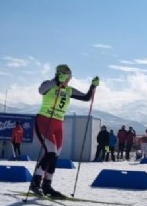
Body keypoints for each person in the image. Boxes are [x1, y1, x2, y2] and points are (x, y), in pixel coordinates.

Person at [29, 64, 98, 197]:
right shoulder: (49, 84)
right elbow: (40, 90)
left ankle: (47, 185)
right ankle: (35, 182)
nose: (69, 79)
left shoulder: (69, 90)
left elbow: (86, 97)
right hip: (44, 121)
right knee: (50, 152)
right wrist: (56, 81)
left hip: (58, 123)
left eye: (70, 77)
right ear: (60, 74)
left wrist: (93, 86)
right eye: (68, 76)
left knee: (55, 155)